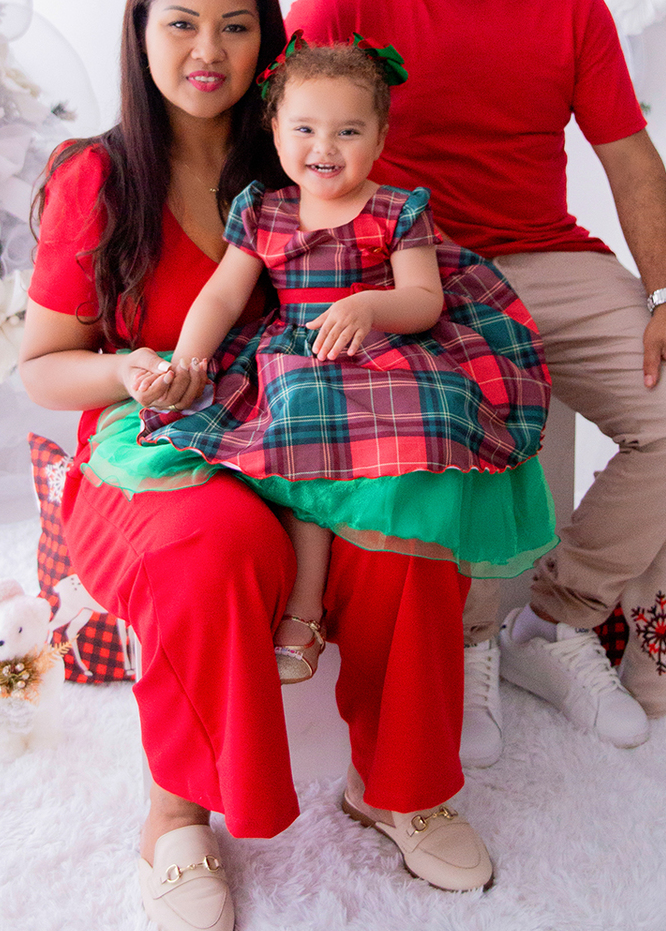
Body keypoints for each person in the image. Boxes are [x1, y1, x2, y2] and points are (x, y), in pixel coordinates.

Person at [19, 0, 496, 931]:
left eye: (236, 27)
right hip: (161, 448)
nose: (207, 49)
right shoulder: (96, 176)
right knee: (212, 546)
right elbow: (44, 367)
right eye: (180, 23)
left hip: (310, 430)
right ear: (139, 35)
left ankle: (403, 790)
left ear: (269, 50)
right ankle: (177, 815)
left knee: (404, 534)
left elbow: (398, 280)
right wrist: (136, 368)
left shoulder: (303, 157)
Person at [286, 0, 666, 768]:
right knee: (476, 402)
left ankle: (553, 618)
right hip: (412, 265)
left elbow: (628, 154)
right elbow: (278, 140)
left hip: (546, 255)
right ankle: (472, 640)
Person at [122, 36, 554, 684]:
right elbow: (221, 295)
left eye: (347, 131)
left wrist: (370, 306)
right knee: (294, 425)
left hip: (380, 355)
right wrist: (186, 362)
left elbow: (424, 300)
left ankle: (395, 609)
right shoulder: (263, 212)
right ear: (275, 130)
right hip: (294, 352)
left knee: (441, 415)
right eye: (305, 128)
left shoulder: (395, 210)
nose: (324, 148)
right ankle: (304, 612)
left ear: (379, 137)